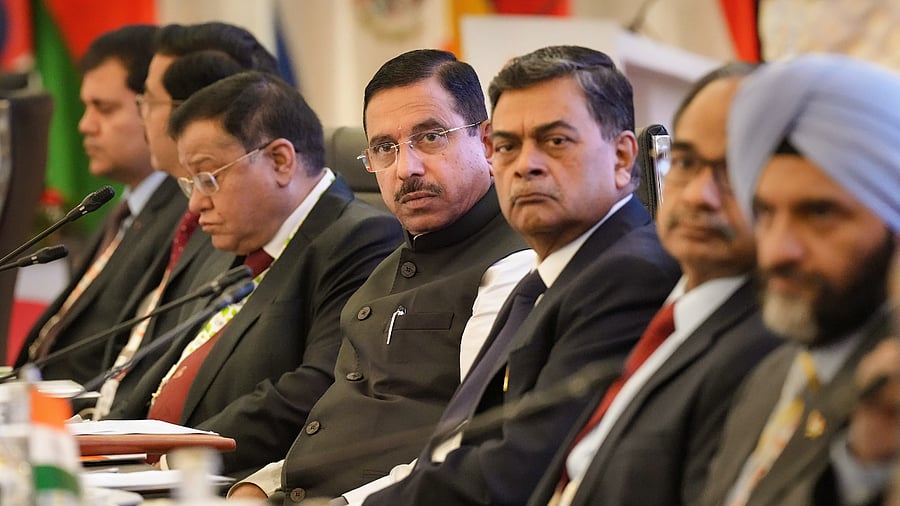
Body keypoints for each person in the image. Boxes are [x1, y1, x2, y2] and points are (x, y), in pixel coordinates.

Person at [361, 44, 681, 506]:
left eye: (555, 142)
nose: (525, 165)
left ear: (622, 158)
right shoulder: (550, 271)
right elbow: (464, 443)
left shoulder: (628, 275)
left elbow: (520, 470)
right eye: (508, 145)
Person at [229, 48, 533, 502]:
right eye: (384, 148)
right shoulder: (385, 268)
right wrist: (257, 486)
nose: (405, 169)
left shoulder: (516, 265)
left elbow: (469, 449)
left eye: (430, 137)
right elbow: (336, 423)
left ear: (486, 142)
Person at [112, 70, 404, 476]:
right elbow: (171, 359)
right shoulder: (241, 241)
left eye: (208, 178)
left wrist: (171, 459)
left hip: (228, 480)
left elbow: (316, 388)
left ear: (280, 160)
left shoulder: (359, 240)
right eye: (190, 183)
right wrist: (107, 438)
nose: (195, 205)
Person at [527, 62, 781, 506]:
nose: (699, 194)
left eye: (734, 168)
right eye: (685, 161)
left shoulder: (763, 347)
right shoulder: (676, 307)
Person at [701, 53, 900, 506]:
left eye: (819, 213)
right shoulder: (772, 375)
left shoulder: (889, 391)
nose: (776, 251)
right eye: (766, 212)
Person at [97, 22, 280, 421]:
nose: (199, 204)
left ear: (197, 107)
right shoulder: (179, 214)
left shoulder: (237, 231)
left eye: (146, 100)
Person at [14, 25, 187, 385]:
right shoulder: (117, 210)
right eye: (85, 107)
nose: (84, 125)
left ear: (153, 108)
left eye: (103, 109)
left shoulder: (184, 217)